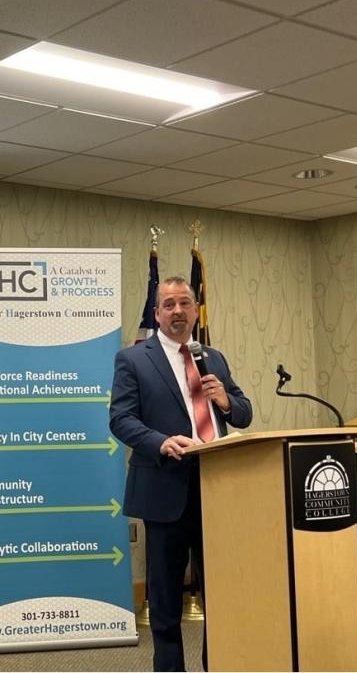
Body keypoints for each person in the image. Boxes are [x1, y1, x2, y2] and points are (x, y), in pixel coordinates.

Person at [109, 276, 252, 672]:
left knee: (221, 596)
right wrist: (159, 442)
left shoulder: (213, 357)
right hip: (164, 490)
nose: (177, 311)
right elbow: (120, 419)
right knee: (167, 604)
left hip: (217, 489)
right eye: (168, 304)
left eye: (184, 303)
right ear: (156, 313)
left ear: (194, 310)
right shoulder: (134, 359)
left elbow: (243, 411)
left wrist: (225, 400)